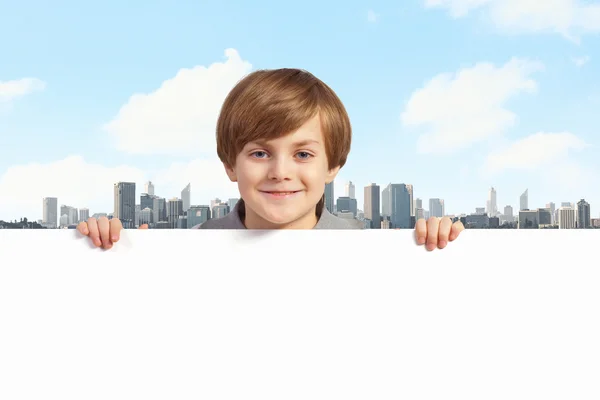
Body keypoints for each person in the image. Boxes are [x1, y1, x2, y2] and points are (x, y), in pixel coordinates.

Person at [78, 68, 464, 250]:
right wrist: (105, 246)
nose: (281, 172)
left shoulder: (370, 250)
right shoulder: (189, 247)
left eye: (303, 154)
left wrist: (437, 243)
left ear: (333, 166)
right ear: (230, 164)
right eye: (260, 152)